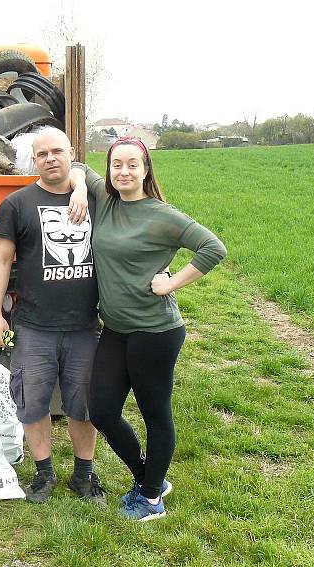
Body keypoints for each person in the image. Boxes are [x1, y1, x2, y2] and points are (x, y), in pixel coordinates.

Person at [69, 137, 226, 520]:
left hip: (156, 331)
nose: (123, 171)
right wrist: (77, 190)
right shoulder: (104, 201)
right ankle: (147, 477)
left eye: (132, 165)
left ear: (145, 169)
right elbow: (76, 166)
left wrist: (171, 283)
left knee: (155, 414)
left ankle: (151, 498)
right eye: (116, 164)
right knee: (102, 410)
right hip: (117, 328)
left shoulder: (163, 215)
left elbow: (213, 248)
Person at [0, 127, 104, 504]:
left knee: (83, 404)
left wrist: (81, 185)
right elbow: (1, 260)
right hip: (33, 325)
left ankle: (84, 475)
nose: (50, 159)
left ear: (71, 153)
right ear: (33, 160)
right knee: (32, 401)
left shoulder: (96, 199)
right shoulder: (16, 204)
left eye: (57, 151)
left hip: (85, 324)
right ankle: (44, 473)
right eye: (42, 154)